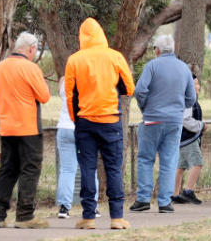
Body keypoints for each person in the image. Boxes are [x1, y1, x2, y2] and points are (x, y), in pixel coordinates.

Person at [65, 18, 135, 229]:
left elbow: (70, 95)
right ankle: (116, 217)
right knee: (113, 168)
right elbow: (129, 88)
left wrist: (75, 118)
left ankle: (88, 217)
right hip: (111, 120)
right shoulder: (115, 57)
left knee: (87, 168)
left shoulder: (74, 60)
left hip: (85, 122)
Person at [0, 32, 51, 229]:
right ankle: (25, 215)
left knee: (7, 169)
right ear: (32, 49)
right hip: (28, 127)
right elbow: (44, 96)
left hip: (6, 126)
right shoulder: (30, 68)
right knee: (29, 169)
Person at [131, 34, 196, 214]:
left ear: (157, 50)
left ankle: (143, 199)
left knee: (145, 159)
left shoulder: (152, 66)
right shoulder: (184, 69)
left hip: (152, 119)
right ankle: (165, 202)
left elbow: (140, 90)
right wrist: (177, 108)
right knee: (169, 161)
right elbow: (191, 98)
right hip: (174, 121)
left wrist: (145, 107)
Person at [55, 77, 99, 219]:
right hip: (84, 126)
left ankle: (64, 207)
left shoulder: (64, 79)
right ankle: (92, 205)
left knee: (67, 169)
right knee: (89, 168)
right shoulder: (89, 79)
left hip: (64, 127)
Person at [173, 75, 206, 205]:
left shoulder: (188, 100)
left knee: (180, 166)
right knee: (197, 163)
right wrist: (201, 126)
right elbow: (185, 119)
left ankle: (174, 194)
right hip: (188, 138)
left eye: (198, 83)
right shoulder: (188, 101)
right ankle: (188, 191)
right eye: (194, 84)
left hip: (182, 138)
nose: (197, 87)